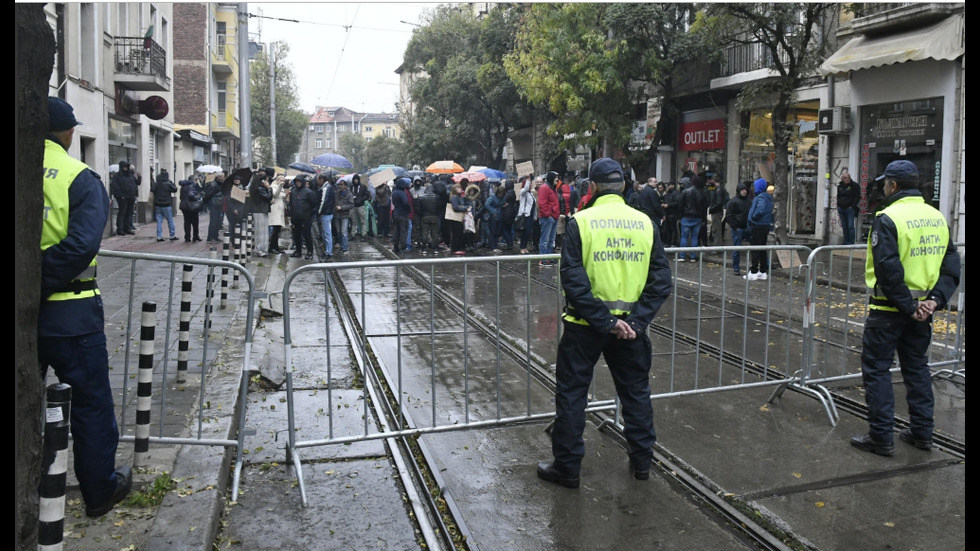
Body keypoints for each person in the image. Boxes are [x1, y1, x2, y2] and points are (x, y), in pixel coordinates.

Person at [536, 157, 672, 489]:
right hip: (631, 331)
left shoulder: (581, 222)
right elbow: (661, 282)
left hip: (585, 327)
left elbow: (573, 280)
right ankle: (641, 463)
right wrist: (635, 323)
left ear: (592, 187)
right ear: (624, 186)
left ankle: (567, 467)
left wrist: (605, 321)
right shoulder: (645, 223)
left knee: (572, 395)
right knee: (636, 394)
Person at [40, 97, 132, 517]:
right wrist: (36, 283)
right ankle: (99, 492)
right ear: (69, 132)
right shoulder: (79, 177)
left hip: (31, 312)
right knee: (91, 403)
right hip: (71, 313)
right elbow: (80, 246)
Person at [850, 160, 960, 457]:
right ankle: (923, 433)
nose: (883, 188)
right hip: (922, 312)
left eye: (885, 183)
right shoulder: (936, 217)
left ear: (893, 185)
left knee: (877, 371)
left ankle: (881, 437)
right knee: (917, 369)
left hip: (888, 310)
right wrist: (933, 301)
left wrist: (908, 306)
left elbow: (888, 269)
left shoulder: (888, 217)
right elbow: (951, 267)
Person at [745, 178, 774, 280]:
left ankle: (753, 271)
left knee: (755, 248)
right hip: (764, 225)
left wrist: (753, 217)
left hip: (758, 225)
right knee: (762, 248)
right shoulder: (768, 197)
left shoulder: (761, 197)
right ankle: (762, 271)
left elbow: (760, 210)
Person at [678, 174, 708, 262]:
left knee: (684, 236)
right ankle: (693, 256)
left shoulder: (685, 191)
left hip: (686, 216)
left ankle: (682, 256)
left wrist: (680, 216)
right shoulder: (703, 192)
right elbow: (705, 206)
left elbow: (680, 205)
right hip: (698, 217)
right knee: (695, 237)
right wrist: (703, 218)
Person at [725, 181, 752, 276]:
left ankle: (760, 266)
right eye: (742, 190)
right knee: (736, 249)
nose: (744, 192)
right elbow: (728, 216)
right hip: (738, 228)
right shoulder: (733, 202)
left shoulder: (749, 201)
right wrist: (735, 227)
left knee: (756, 246)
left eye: (745, 190)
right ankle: (736, 268)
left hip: (747, 227)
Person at [288, 174, 318, 259]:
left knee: (307, 235)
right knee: (296, 235)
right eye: (296, 182)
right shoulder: (293, 191)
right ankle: (298, 251)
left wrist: (309, 213)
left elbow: (314, 203)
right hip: (295, 217)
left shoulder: (308, 192)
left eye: (299, 182)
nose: (298, 183)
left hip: (305, 217)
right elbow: (291, 203)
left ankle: (310, 251)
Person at [537, 171, 561, 266]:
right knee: (545, 240)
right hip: (548, 217)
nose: (557, 179)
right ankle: (543, 259)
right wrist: (549, 215)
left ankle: (549, 258)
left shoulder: (551, 188)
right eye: (556, 177)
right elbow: (542, 203)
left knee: (551, 240)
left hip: (552, 217)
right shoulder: (545, 188)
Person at [248, 168, 274, 256]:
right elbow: (268, 197)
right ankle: (260, 250)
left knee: (262, 231)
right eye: (266, 180)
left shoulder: (257, 188)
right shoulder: (260, 188)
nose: (267, 182)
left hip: (260, 210)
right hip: (259, 210)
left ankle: (262, 249)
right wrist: (269, 188)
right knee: (261, 232)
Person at [110, 160, 139, 235]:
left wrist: (134, 194)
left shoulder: (130, 175)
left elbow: (136, 183)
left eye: (127, 167)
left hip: (131, 197)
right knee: (122, 213)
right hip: (123, 198)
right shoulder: (117, 176)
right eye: (124, 167)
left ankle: (127, 228)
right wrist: (120, 196)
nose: (126, 168)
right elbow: (115, 187)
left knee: (129, 213)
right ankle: (120, 229)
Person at [416, 180, 443, 253]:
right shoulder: (437, 197)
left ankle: (424, 248)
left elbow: (418, 209)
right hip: (434, 216)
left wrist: (421, 215)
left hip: (424, 217)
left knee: (424, 233)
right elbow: (440, 207)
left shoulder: (421, 198)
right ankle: (436, 248)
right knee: (435, 233)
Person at [151, 169, 178, 241]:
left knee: (159, 221)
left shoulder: (156, 184)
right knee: (170, 220)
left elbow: (152, 190)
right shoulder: (168, 184)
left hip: (158, 205)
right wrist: (171, 182)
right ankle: (172, 235)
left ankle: (159, 236)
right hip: (166, 205)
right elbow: (175, 189)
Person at [446, 182, 472, 255]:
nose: (460, 189)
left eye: (460, 187)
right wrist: (465, 208)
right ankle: (455, 249)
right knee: (456, 234)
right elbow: (455, 207)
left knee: (459, 233)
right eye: (458, 188)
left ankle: (457, 248)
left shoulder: (459, 197)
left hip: (459, 218)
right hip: (455, 219)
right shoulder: (454, 197)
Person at [837, 170, 860, 245]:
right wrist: (838, 205)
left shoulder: (854, 186)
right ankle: (845, 241)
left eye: (848, 177)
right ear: (842, 179)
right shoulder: (840, 186)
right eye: (845, 178)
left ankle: (851, 242)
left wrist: (852, 206)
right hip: (841, 208)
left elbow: (857, 197)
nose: (847, 179)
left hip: (849, 209)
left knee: (850, 226)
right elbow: (838, 196)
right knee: (844, 226)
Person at [178, 176, 204, 242]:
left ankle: (187, 237)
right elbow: (191, 195)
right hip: (191, 206)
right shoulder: (191, 186)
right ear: (194, 180)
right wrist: (197, 198)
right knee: (195, 222)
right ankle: (195, 236)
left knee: (187, 222)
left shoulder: (184, 186)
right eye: (196, 180)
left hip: (184, 206)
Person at [316, 175, 336, 259]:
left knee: (327, 233)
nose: (317, 182)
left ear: (322, 179)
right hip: (329, 212)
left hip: (326, 213)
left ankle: (328, 252)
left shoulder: (326, 188)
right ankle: (328, 251)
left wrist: (319, 211)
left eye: (318, 180)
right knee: (327, 233)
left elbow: (323, 201)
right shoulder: (329, 187)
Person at [516, 176, 537, 254]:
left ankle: (524, 247)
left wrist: (535, 216)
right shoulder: (523, 192)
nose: (531, 185)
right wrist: (528, 179)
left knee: (528, 232)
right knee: (525, 231)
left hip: (530, 215)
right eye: (530, 184)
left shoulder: (530, 193)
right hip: (525, 215)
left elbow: (534, 205)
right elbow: (525, 188)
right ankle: (522, 247)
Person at [707, 173, 730, 245]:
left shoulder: (718, 190)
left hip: (716, 212)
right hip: (718, 211)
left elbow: (719, 202)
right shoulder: (720, 189)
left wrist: (711, 209)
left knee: (716, 230)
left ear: (714, 180)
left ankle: (717, 246)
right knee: (716, 229)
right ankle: (717, 245)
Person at [333, 179, 354, 254]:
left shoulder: (349, 194)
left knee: (344, 232)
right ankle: (342, 246)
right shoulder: (337, 193)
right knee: (339, 232)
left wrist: (342, 207)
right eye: (339, 185)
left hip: (344, 215)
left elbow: (351, 205)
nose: (340, 186)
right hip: (337, 215)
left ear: (345, 185)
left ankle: (345, 248)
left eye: (342, 184)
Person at [203, 174, 224, 243]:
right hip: (214, 205)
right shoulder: (213, 185)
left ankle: (215, 236)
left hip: (218, 204)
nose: (222, 178)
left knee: (218, 221)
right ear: (217, 177)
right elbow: (208, 195)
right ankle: (210, 238)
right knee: (213, 221)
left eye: (223, 176)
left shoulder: (220, 184)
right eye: (221, 177)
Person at [349, 174, 370, 239]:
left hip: (360, 206)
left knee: (362, 221)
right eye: (354, 179)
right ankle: (353, 234)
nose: (355, 180)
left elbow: (367, 195)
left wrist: (361, 199)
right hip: (353, 206)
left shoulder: (363, 187)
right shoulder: (351, 187)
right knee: (353, 221)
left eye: (357, 179)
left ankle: (363, 234)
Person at [660, 180, 681, 248]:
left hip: (673, 213)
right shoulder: (668, 193)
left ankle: (673, 243)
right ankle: (668, 242)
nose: (669, 186)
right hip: (668, 213)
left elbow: (677, 203)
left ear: (673, 185)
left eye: (670, 185)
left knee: (673, 229)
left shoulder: (676, 193)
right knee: (668, 229)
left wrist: (668, 205)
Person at [269, 175, 286, 254]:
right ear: (278, 180)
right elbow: (275, 194)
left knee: (278, 229)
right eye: (281, 180)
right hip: (275, 210)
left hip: (280, 209)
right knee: (275, 229)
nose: (282, 182)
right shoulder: (273, 186)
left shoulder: (281, 187)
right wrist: (280, 185)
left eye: (283, 181)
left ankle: (276, 247)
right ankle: (272, 247)